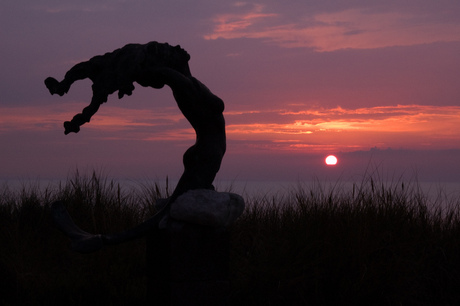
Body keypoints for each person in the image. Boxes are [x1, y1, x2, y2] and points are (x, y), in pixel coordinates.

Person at [47, 42, 226, 252]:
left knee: (172, 209)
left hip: (202, 153)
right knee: (164, 214)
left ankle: (99, 239)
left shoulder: (185, 82)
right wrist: (138, 63)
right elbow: (162, 76)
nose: (171, 46)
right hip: (206, 154)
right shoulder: (181, 83)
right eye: (163, 49)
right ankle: (101, 240)